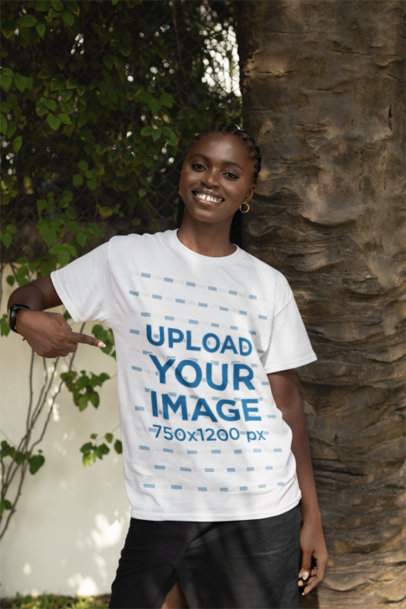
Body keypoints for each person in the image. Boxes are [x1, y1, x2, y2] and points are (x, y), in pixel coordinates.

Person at [8, 124, 328, 608]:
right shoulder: (126, 260)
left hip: (259, 510)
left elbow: (287, 405)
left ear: (248, 192)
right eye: (199, 165)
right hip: (162, 511)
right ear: (181, 175)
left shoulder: (267, 286)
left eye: (230, 173)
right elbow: (29, 295)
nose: (211, 180)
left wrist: (312, 518)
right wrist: (23, 318)